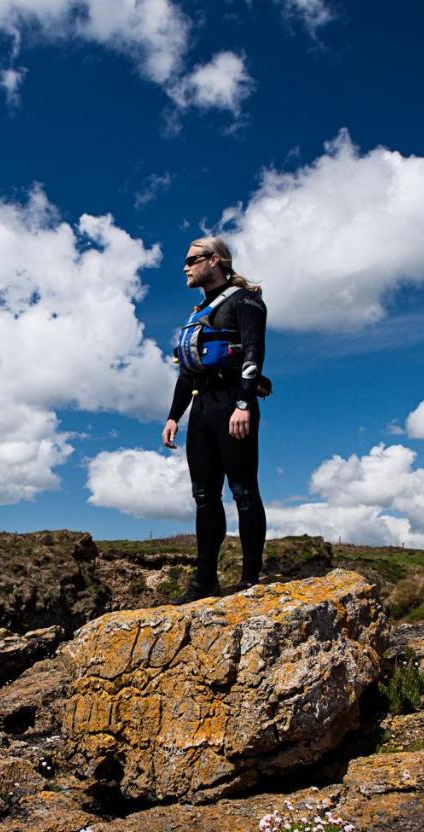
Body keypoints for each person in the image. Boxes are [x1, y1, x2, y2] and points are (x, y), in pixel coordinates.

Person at [161, 236, 267, 602]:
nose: (185, 267)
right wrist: (175, 416)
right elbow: (189, 370)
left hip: (232, 404)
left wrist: (243, 403)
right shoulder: (197, 314)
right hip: (202, 409)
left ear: (216, 260)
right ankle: (204, 580)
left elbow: (254, 352)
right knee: (204, 497)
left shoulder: (246, 301)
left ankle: (250, 578)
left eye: (192, 259)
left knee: (243, 490)